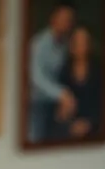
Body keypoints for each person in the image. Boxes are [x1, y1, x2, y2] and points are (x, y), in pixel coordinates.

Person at [27, 2, 77, 143]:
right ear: (53, 19)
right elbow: (35, 76)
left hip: (56, 104)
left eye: (69, 20)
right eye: (62, 18)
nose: (65, 23)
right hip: (37, 103)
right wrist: (61, 94)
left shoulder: (66, 45)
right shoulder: (38, 43)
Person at [49, 27, 103, 140]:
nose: (79, 46)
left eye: (83, 42)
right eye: (76, 42)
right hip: (69, 127)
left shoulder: (100, 71)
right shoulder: (62, 72)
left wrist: (89, 123)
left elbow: (103, 105)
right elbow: (57, 110)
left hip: (95, 124)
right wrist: (62, 114)